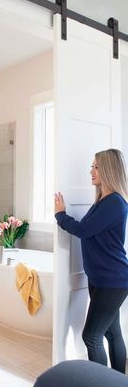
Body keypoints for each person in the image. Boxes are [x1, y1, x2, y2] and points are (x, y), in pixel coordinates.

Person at [54, 148, 128, 373]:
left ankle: (103, 382)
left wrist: (60, 215)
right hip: (101, 278)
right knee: (111, 332)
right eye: (92, 166)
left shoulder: (114, 202)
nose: (91, 171)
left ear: (108, 169)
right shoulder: (102, 202)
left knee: (91, 336)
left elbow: (84, 230)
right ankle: (118, 380)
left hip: (112, 280)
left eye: (96, 166)